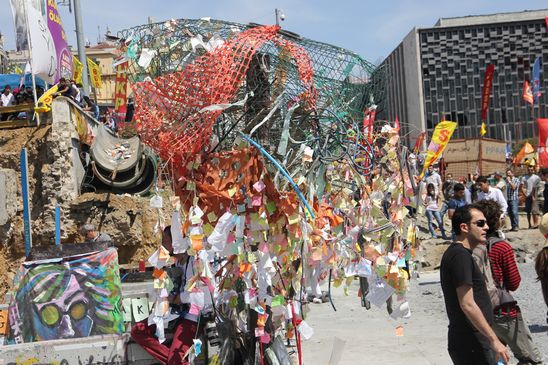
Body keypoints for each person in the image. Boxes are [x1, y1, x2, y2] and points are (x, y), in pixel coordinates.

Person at [474, 200, 543, 364]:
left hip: (479, 311)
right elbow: (513, 283)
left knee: (495, 357)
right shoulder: (501, 247)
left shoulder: (471, 246)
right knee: (530, 358)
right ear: (497, 220)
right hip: (502, 311)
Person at [440, 204, 509, 364]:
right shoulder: (459, 256)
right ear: (464, 227)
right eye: (480, 223)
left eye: (485, 223)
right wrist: (493, 340)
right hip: (471, 341)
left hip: (471, 339)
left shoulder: (460, 254)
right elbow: (467, 304)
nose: (486, 227)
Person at [131, 227, 200, 365]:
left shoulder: (193, 262)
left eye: (165, 241)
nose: (163, 245)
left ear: (176, 242)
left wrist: (173, 299)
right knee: (138, 331)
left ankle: (174, 361)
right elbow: (160, 278)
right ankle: (174, 361)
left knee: (175, 360)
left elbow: (193, 295)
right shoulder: (175, 262)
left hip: (190, 316)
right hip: (172, 312)